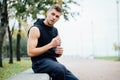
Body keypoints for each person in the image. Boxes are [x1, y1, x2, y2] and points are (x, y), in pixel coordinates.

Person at [27, 4, 79, 80]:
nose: (54, 17)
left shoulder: (55, 31)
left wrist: (58, 53)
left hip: (53, 62)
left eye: (57, 16)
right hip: (39, 63)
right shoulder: (35, 29)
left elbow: (54, 53)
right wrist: (50, 45)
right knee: (60, 69)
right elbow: (30, 52)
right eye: (53, 14)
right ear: (47, 13)